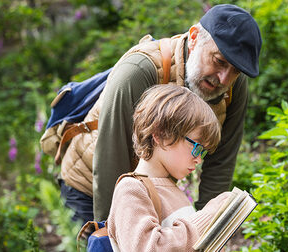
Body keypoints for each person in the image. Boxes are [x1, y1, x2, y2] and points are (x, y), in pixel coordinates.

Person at [58, 3, 262, 223]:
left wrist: (208, 228)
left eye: (235, 70)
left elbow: (222, 160)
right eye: (219, 61)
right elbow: (111, 156)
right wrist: (108, 232)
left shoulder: (233, 85)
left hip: (152, 188)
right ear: (193, 38)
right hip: (91, 186)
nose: (224, 78)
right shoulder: (138, 71)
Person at [107, 84, 231, 251]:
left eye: (203, 152)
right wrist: (206, 218)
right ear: (160, 134)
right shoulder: (131, 189)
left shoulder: (174, 190)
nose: (199, 159)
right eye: (197, 147)